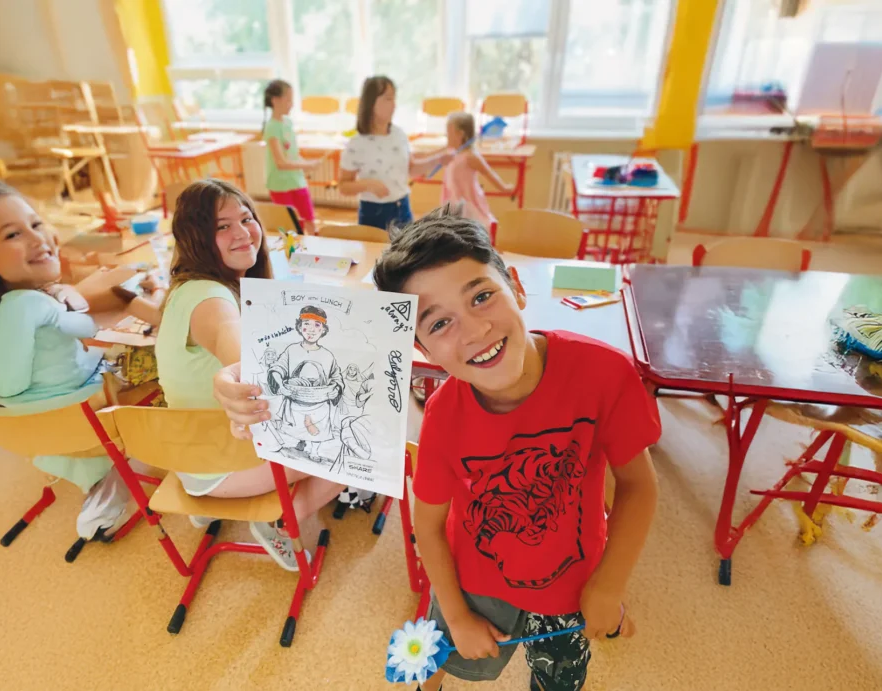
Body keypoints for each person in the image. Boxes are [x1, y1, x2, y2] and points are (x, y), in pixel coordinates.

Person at [211, 205, 661, 691]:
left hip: (574, 581)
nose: (474, 330)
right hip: (475, 581)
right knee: (438, 659)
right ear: (421, 348)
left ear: (517, 288)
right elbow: (427, 524)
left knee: (558, 680)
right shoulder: (444, 415)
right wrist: (456, 614)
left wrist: (610, 584)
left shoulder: (605, 374)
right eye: (439, 323)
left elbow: (638, 485)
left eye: (482, 297)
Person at [0, 178, 146, 543]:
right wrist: (66, 304)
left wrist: (58, 295)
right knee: (158, 357)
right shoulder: (33, 303)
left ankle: (102, 485)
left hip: (40, 432)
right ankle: (200, 476)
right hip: (89, 418)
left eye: (35, 224)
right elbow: (88, 326)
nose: (38, 239)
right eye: (13, 234)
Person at [153, 179, 344, 571]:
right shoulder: (211, 299)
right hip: (215, 466)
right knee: (356, 443)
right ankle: (280, 521)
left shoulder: (189, 288)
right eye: (222, 226)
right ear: (196, 238)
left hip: (188, 451)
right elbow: (236, 347)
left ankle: (216, 506)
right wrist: (243, 372)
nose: (242, 232)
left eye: (246, 218)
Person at [337, 75, 451, 231]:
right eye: (388, 99)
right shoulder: (357, 143)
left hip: (402, 208)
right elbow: (343, 186)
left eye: (394, 99)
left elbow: (411, 169)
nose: (394, 105)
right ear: (371, 103)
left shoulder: (399, 135)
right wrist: (368, 184)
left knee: (407, 248)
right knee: (375, 248)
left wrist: (438, 159)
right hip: (373, 213)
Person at [268, 305, 344, 461]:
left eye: (317, 325)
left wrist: (335, 390)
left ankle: (314, 451)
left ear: (323, 330)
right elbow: (277, 368)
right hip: (296, 397)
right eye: (306, 324)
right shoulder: (291, 350)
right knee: (297, 424)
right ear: (299, 327)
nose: (311, 329)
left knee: (319, 425)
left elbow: (337, 378)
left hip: (319, 401)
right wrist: (281, 386)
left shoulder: (328, 355)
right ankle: (301, 441)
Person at [261, 79, 323, 236]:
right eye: (288, 99)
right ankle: (297, 251)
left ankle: (316, 247)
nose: (292, 104)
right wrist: (307, 165)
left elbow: (292, 154)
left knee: (309, 220)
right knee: (291, 228)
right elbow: (280, 163)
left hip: (297, 181)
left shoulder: (288, 123)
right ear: (275, 100)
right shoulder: (272, 127)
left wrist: (306, 163)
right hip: (280, 185)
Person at [441, 111, 515, 231]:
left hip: (468, 201)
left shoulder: (470, 156)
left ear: (460, 134)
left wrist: (504, 188)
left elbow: (488, 173)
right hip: (453, 199)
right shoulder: (452, 153)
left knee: (472, 227)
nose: (446, 136)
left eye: (449, 133)